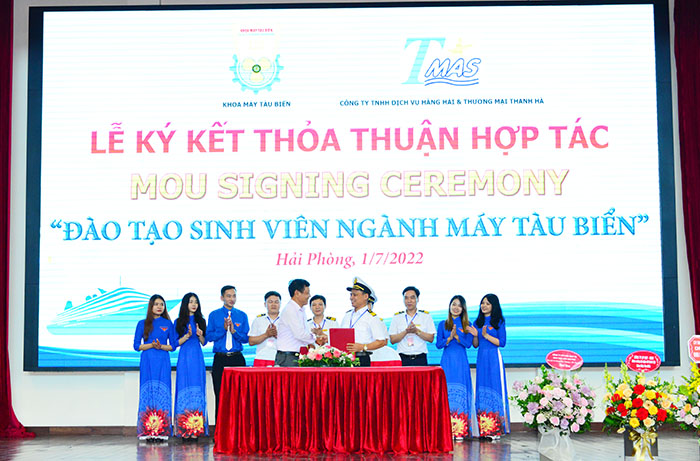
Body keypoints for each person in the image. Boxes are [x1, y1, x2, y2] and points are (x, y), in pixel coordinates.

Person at [133, 294, 177, 441]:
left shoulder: (168, 323)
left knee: (162, 392)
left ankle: (162, 431)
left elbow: (173, 346)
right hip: (147, 361)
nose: (159, 307)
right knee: (148, 391)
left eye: (162, 304)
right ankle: (147, 430)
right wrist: (151, 345)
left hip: (163, 360)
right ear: (151, 306)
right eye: (156, 304)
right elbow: (136, 346)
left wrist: (160, 346)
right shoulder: (142, 323)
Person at [436, 295, 479, 439]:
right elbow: (438, 344)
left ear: (463, 309)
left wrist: (457, 337)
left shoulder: (467, 325)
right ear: (449, 306)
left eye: (459, 305)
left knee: (462, 391)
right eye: (454, 304)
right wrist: (449, 338)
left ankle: (461, 429)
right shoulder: (442, 324)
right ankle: (446, 429)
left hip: (461, 362)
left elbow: (468, 344)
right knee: (446, 391)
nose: (456, 308)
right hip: (447, 361)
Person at [205, 285, 249, 425]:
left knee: (239, 396)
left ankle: (239, 429)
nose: (232, 299)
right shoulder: (214, 315)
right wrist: (223, 330)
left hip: (237, 358)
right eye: (228, 296)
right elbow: (209, 337)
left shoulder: (242, 315)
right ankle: (220, 430)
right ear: (222, 297)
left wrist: (234, 331)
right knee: (220, 395)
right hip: (220, 359)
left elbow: (245, 339)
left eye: (234, 296)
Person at [173, 292, 208, 440]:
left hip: (197, 357)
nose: (194, 304)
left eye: (196, 302)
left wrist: (200, 335)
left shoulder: (201, 320)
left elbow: (204, 342)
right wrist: (186, 336)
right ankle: (183, 429)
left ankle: (196, 429)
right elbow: (174, 343)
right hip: (184, 357)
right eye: (191, 302)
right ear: (185, 304)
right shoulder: (178, 321)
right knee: (184, 387)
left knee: (197, 388)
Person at [474, 293, 509, 439]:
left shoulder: (499, 321)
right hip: (481, 358)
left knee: (495, 389)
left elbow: (502, 342)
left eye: (487, 303)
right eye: (482, 303)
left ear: (493, 306)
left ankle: (496, 429)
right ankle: (484, 428)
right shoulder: (477, 322)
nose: (484, 306)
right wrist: (475, 335)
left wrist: (486, 336)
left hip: (494, 358)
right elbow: (475, 345)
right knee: (482, 390)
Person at [340, 277, 388, 367]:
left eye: (355, 295)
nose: (351, 298)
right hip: (344, 358)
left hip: (361, 358)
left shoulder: (372, 317)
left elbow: (381, 341)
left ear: (366, 296)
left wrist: (362, 347)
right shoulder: (347, 315)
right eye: (351, 294)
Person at [276, 279, 321, 366]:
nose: (309, 296)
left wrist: (313, 335)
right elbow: (299, 334)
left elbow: (302, 332)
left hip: (295, 355)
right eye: (307, 293)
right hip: (288, 357)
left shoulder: (300, 310)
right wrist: (316, 338)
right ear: (297, 293)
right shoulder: (291, 310)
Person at [389, 286, 436, 366]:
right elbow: (392, 340)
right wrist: (406, 331)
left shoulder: (426, 316)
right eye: (406, 298)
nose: (409, 301)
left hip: (420, 358)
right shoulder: (397, 317)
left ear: (418, 299)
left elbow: (431, 338)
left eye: (412, 298)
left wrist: (417, 331)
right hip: (403, 358)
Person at [248, 291, 282, 367]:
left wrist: (277, 336)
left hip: (279, 359)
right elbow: (251, 342)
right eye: (270, 302)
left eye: (276, 302)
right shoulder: (258, 320)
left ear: (280, 304)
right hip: (261, 358)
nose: (273, 304)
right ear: (265, 304)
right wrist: (266, 335)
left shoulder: (285, 320)